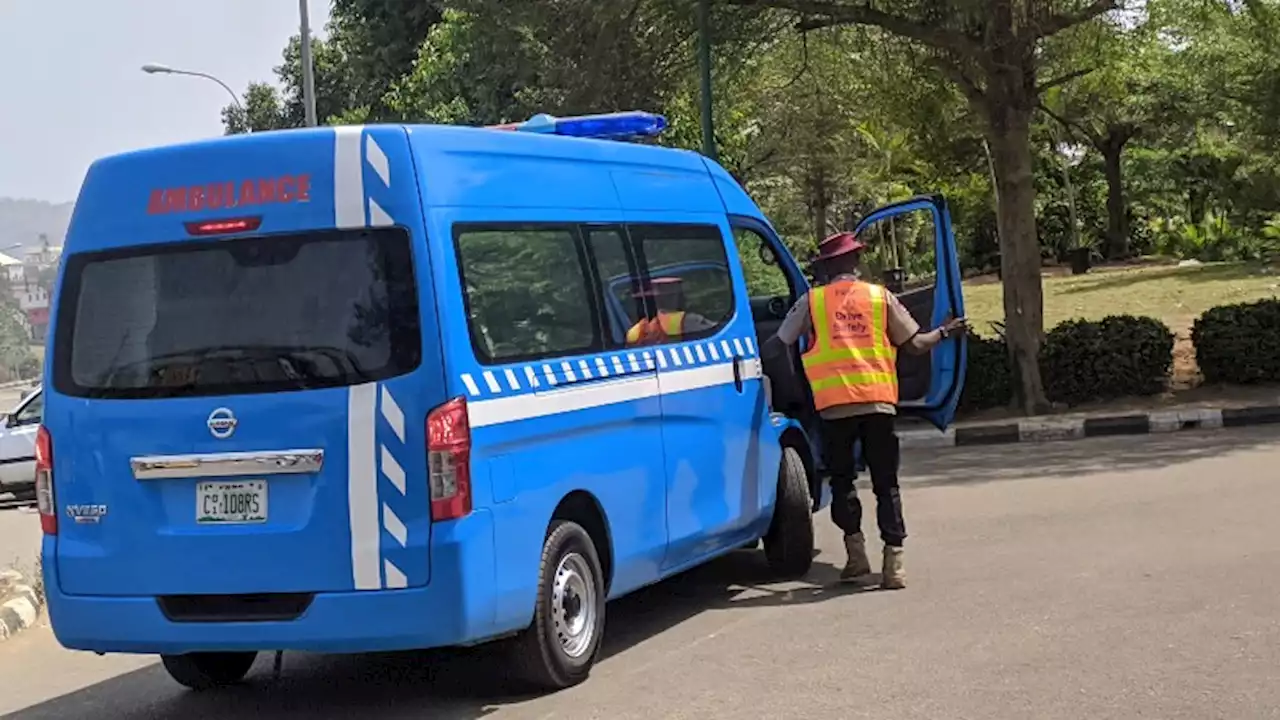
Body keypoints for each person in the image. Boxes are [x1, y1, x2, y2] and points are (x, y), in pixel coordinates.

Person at [776, 231, 967, 589]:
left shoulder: (812, 302)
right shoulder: (882, 298)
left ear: (826, 267)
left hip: (834, 409)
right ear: (856, 263)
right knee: (886, 484)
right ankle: (894, 565)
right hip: (879, 403)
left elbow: (781, 342)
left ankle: (856, 556)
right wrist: (945, 332)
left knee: (844, 481)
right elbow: (915, 345)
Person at [625, 276, 715, 346]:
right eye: (680, 294)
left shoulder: (635, 331)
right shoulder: (689, 321)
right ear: (677, 297)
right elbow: (720, 331)